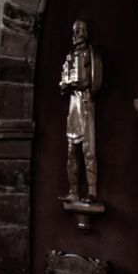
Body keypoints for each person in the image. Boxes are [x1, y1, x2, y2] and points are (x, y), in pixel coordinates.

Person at [60, 19, 102, 202]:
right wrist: (66, 84)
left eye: (80, 30)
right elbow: (63, 81)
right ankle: (74, 190)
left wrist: (82, 84)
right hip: (73, 103)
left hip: (86, 100)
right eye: (75, 31)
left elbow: (95, 79)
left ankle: (92, 191)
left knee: (88, 149)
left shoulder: (91, 53)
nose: (77, 34)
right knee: (71, 149)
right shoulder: (70, 56)